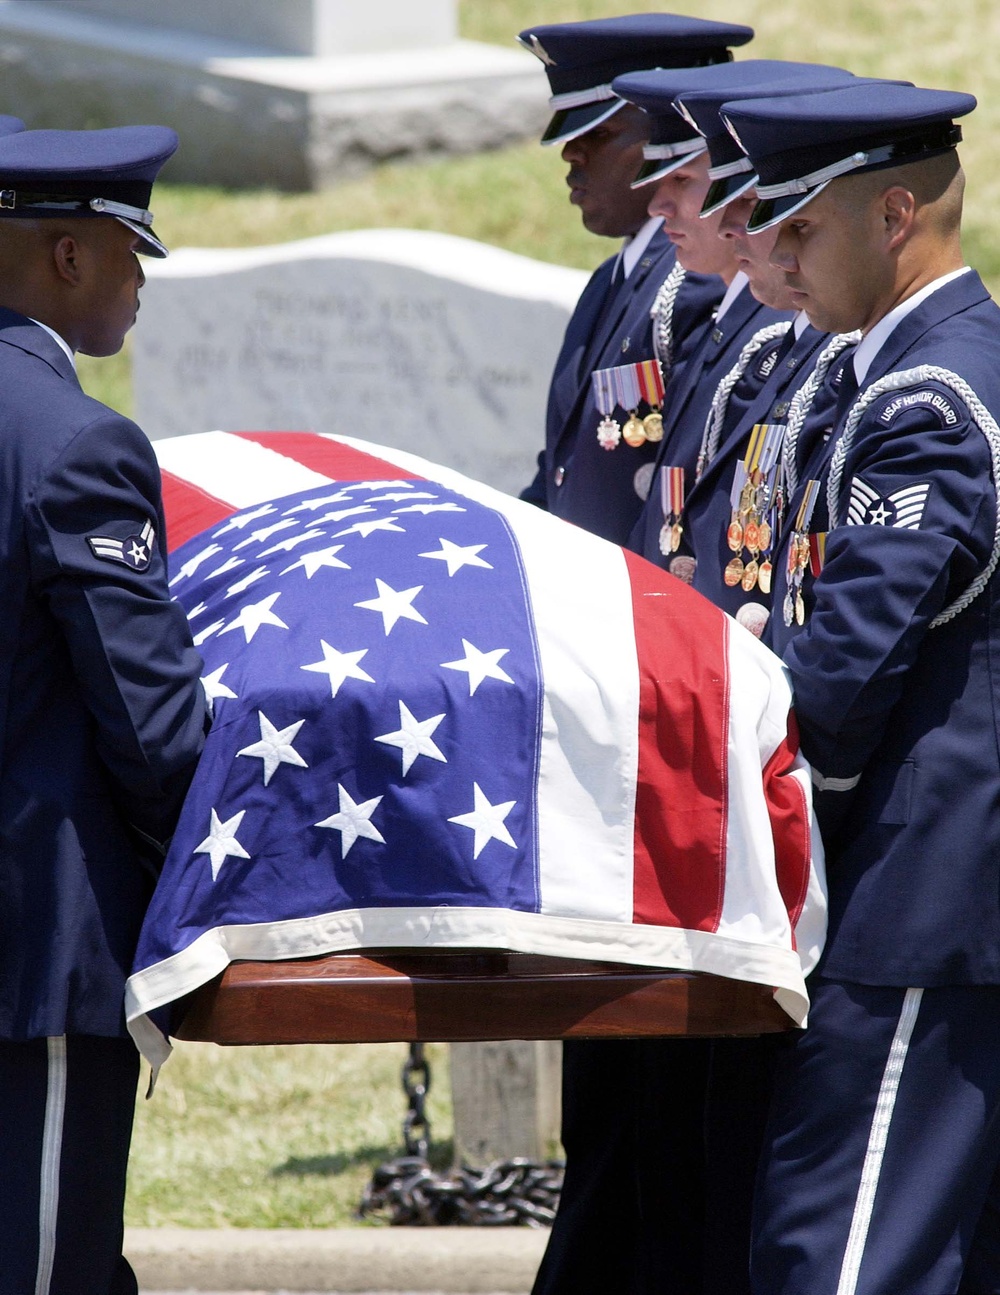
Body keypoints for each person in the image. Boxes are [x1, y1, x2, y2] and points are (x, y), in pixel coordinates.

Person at [720, 81, 1000, 1293]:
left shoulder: (926, 402)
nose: (772, 252)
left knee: (839, 1259)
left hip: (912, 904)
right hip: (929, 902)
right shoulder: (890, 374)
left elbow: (841, 681)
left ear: (894, 216)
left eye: (799, 225)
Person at [0, 126, 207, 1295]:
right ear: (69, 255)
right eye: (133, 251)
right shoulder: (74, 445)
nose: (141, 281)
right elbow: (150, 723)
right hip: (33, 957)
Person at [517, 13, 752, 545]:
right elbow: (563, 468)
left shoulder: (697, 279)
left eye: (599, 133)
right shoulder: (614, 276)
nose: (571, 153)